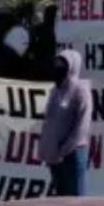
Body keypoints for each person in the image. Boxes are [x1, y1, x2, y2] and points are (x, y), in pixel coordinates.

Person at [38, 49, 93, 196]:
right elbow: (49, 122)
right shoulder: (55, 91)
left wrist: (65, 150)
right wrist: (47, 150)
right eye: (56, 64)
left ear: (72, 67)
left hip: (73, 154)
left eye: (62, 65)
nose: (58, 68)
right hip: (55, 156)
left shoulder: (81, 90)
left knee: (76, 200)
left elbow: (82, 126)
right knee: (61, 201)